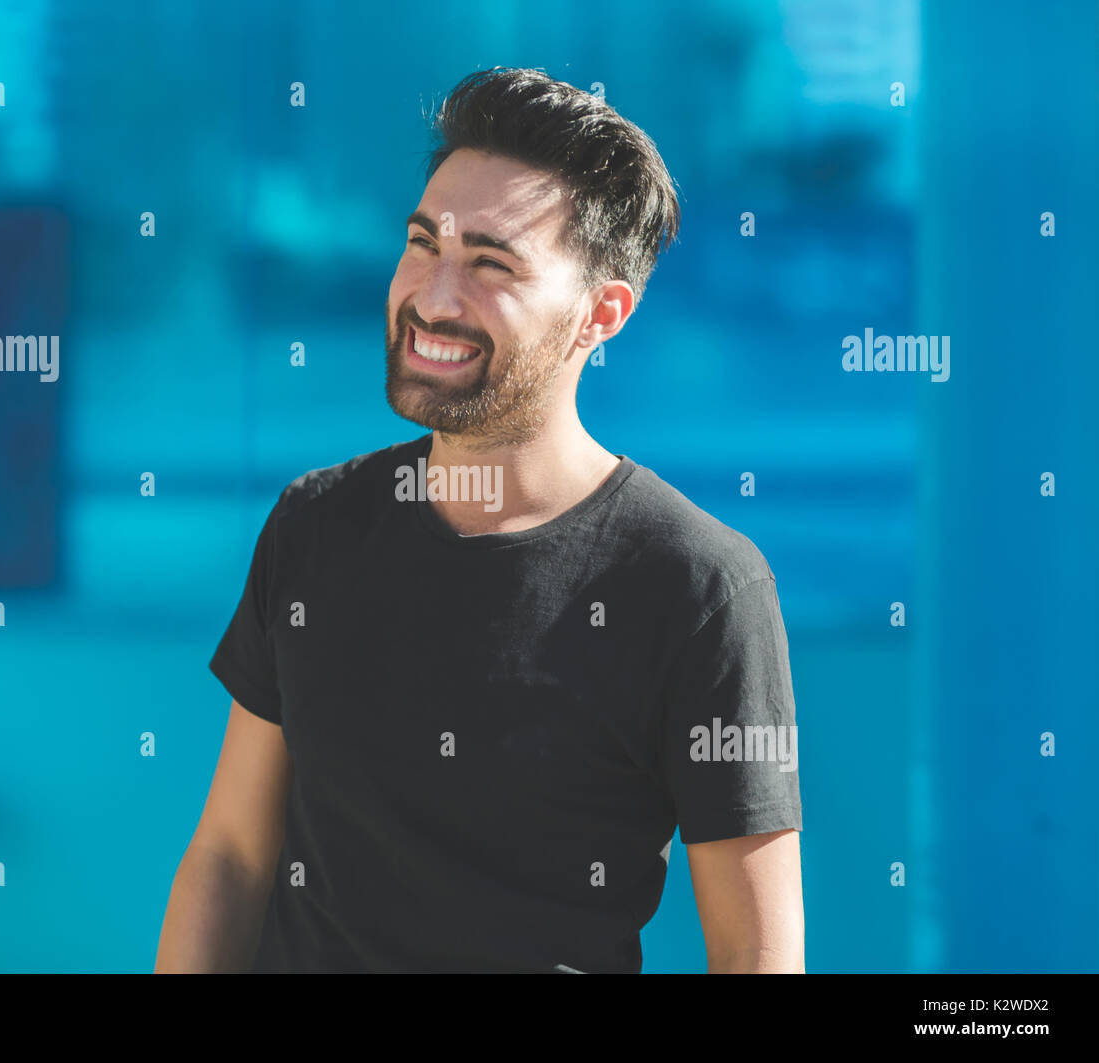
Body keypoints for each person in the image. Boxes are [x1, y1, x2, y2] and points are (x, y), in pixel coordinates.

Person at [155, 67, 804, 974]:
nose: (433, 296)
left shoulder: (699, 586)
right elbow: (230, 856)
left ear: (599, 313)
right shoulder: (315, 525)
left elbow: (757, 954)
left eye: (491, 263)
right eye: (423, 244)